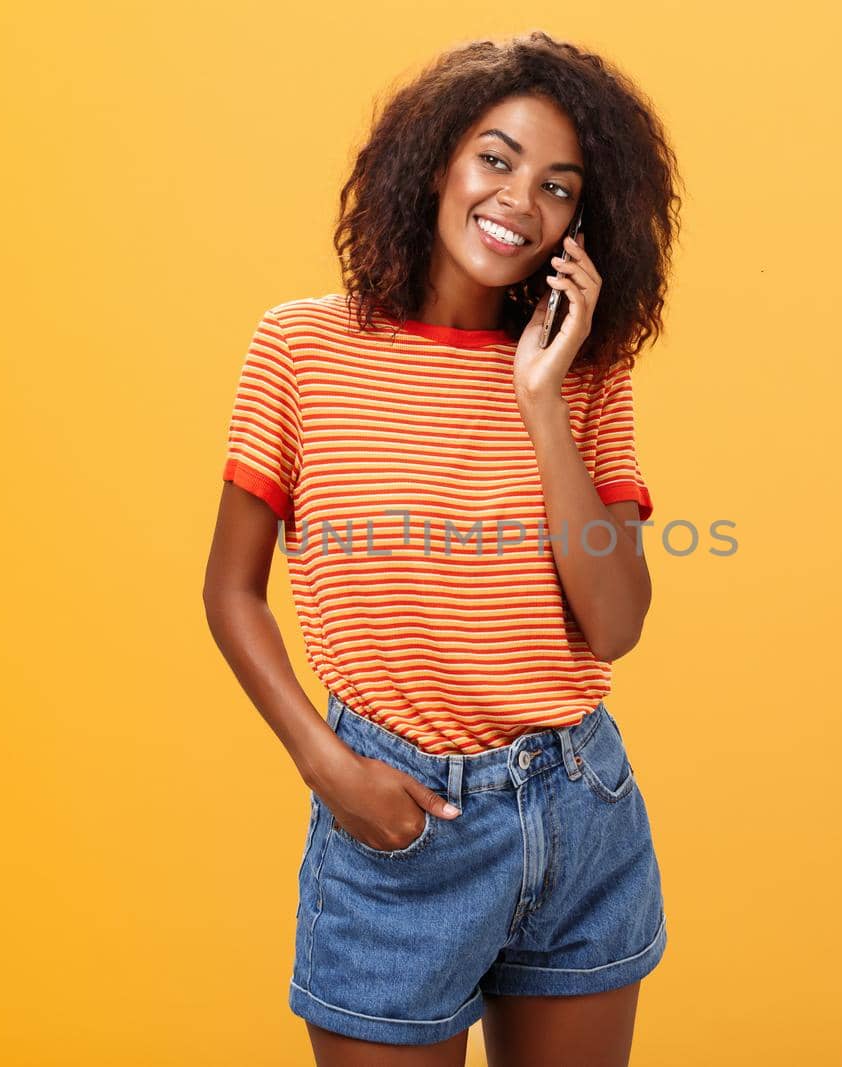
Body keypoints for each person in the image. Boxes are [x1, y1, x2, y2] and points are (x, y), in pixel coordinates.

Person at [202, 30, 683, 1066]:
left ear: (579, 225)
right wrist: (327, 765)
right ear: (435, 162)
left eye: (558, 186)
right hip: (396, 821)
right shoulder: (301, 349)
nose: (519, 199)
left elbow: (617, 621)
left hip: (578, 811)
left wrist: (541, 398)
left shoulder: (584, 375)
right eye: (496, 158)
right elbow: (231, 591)